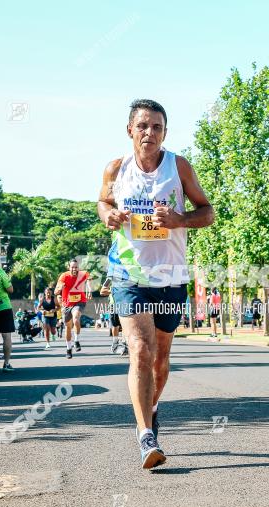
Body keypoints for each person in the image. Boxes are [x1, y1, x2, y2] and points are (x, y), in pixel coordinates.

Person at [97, 98, 214, 469]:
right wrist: (109, 214)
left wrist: (179, 219)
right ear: (129, 129)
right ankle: (145, 434)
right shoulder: (116, 168)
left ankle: (153, 407)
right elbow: (102, 201)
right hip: (128, 274)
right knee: (140, 351)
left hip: (170, 276)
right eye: (143, 126)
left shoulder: (178, 167)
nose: (149, 133)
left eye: (157, 127)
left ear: (165, 132)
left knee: (161, 361)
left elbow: (207, 212)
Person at [55, 259, 90, 359]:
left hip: (80, 301)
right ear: (69, 268)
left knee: (76, 318)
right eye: (72, 267)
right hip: (67, 304)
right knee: (68, 327)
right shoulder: (64, 276)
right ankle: (69, 349)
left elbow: (88, 280)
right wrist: (59, 288)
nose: (74, 269)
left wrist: (89, 290)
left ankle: (77, 340)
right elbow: (56, 291)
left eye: (76, 267)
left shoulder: (83, 274)